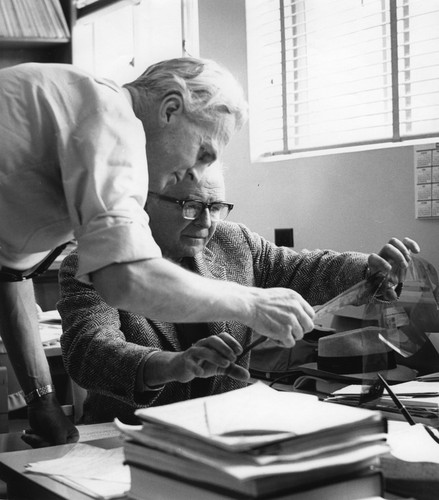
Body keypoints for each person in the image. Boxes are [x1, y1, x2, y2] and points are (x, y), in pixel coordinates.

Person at [0, 57, 310, 447]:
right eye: (203, 152)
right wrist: (252, 304)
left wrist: (41, 399)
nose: (196, 174)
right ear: (170, 109)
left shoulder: (81, 115)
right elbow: (125, 279)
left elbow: (10, 275)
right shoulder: (112, 118)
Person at [57, 164, 419, 425]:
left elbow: (301, 268)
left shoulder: (233, 242)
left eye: (216, 207)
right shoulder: (94, 263)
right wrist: (174, 365)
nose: (207, 221)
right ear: (144, 203)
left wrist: (369, 269)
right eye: (192, 206)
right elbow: (90, 352)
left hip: (224, 433)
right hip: (129, 437)